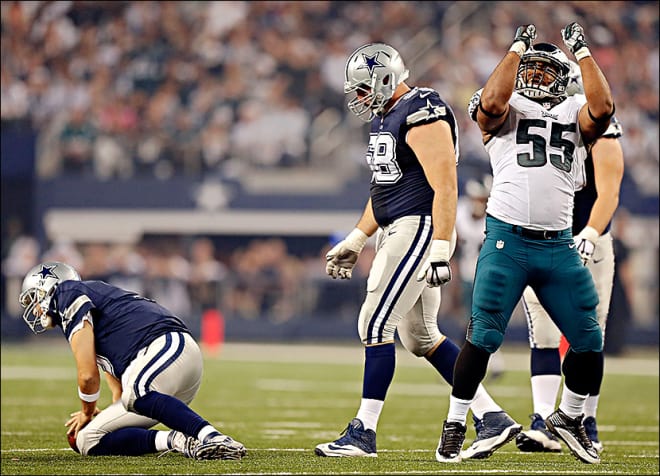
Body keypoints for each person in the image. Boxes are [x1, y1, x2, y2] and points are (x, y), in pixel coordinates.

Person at [314, 42, 520, 460]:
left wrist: (441, 247)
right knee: (421, 337)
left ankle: (363, 431)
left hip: (420, 228)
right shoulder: (386, 118)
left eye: (361, 89)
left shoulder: (421, 108)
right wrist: (357, 238)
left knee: (374, 323)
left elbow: (445, 184)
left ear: (384, 78)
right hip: (399, 227)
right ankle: (491, 416)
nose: (357, 98)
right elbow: (385, 192)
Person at [435, 22, 615, 465]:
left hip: (558, 245)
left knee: (589, 339)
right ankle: (457, 420)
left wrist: (582, 52)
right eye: (528, 70)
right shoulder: (505, 103)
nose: (532, 77)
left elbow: (604, 106)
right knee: (483, 335)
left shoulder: (576, 108)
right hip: (507, 240)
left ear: (564, 77)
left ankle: (570, 417)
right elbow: (492, 100)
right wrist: (517, 49)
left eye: (543, 71)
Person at [18, 261, 246, 460]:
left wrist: (87, 411)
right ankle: (178, 441)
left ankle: (213, 437)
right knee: (87, 439)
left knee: (137, 393)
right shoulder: (95, 314)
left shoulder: (67, 293)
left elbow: (87, 375)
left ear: (51, 287)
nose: (35, 308)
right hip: (157, 367)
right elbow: (118, 388)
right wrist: (109, 414)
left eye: (35, 297)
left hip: (166, 346)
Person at [516, 62, 624, 455]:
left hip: (587, 239)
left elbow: (609, 192)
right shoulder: (523, 119)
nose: (539, 86)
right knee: (542, 333)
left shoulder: (596, 122)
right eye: (536, 77)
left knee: (589, 333)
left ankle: (585, 417)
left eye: (548, 78)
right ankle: (543, 419)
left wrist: (591, 233)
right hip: (543, 240)